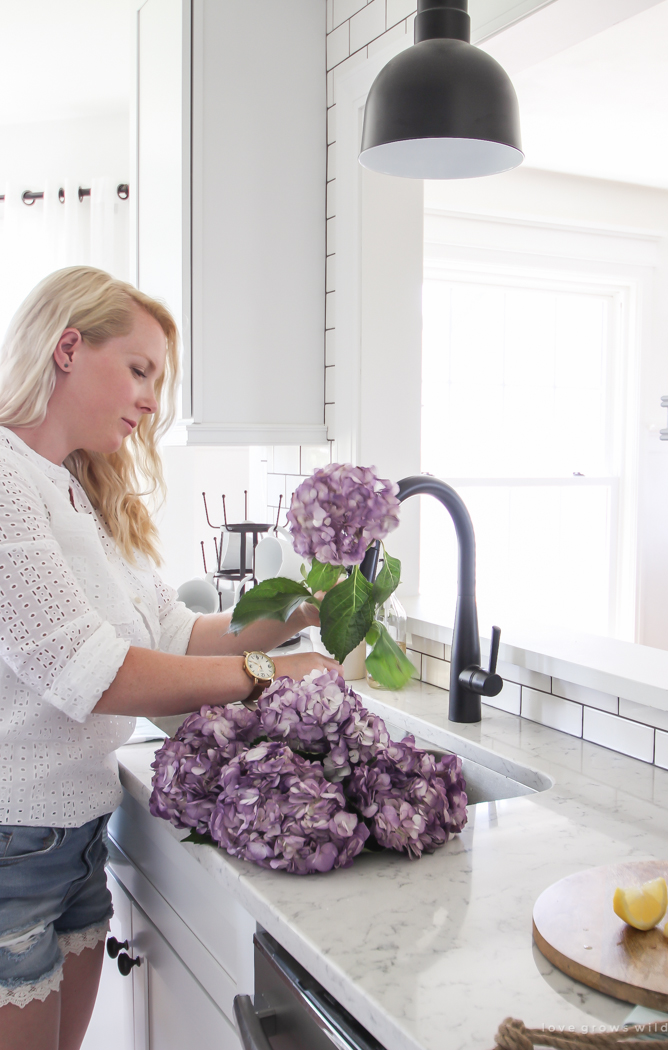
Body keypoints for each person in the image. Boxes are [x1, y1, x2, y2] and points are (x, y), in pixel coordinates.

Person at [0, 266, 339, 1050]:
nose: (153, 400)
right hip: (14, 841)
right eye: (141, 370)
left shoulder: (78, 490)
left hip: (79, 831)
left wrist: (304, 608)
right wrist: (270, 676)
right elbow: (96, 671)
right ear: (69, 347)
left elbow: (173, 632)